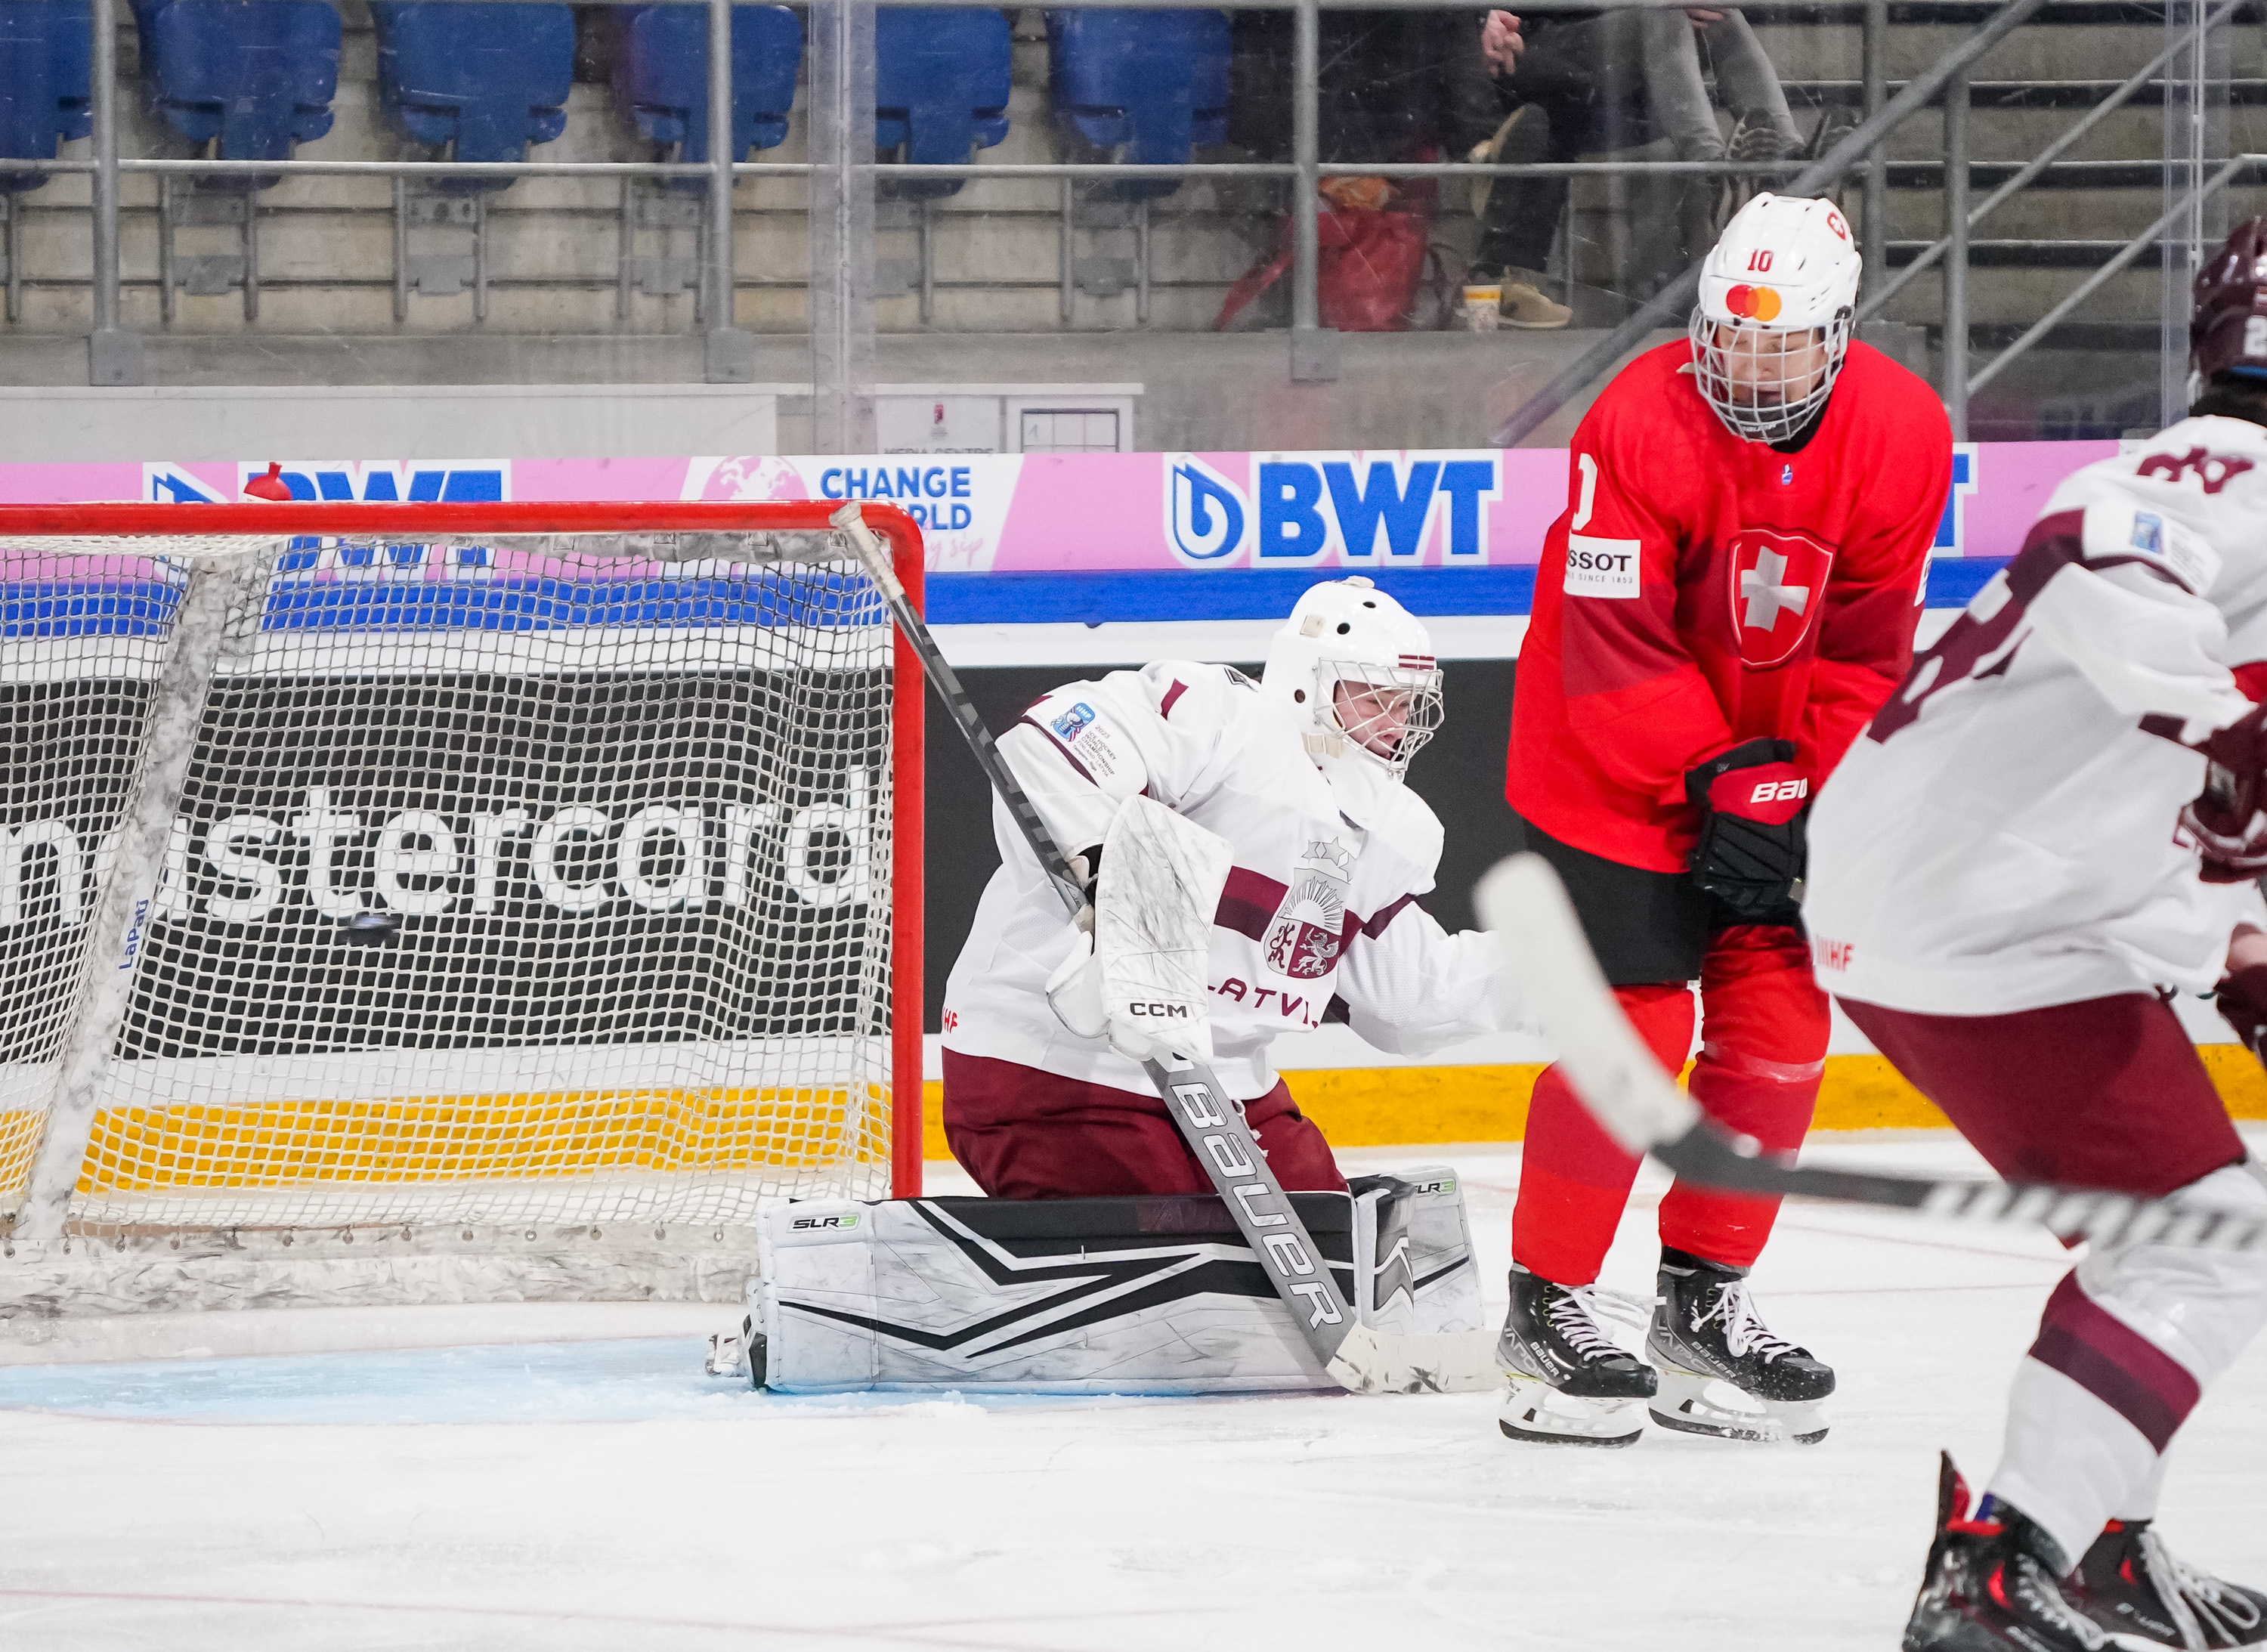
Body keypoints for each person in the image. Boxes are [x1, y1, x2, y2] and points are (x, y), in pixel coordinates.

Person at [1805, 220, 2267, 1650]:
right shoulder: (2228, 474)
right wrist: (2237, 735)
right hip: (1979, 910)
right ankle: (2003, 1566)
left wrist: (2239, 939)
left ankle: (2095, 1541)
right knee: (2207, 1245)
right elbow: (2094, 554)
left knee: (2172, 1240)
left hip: (1985, 902)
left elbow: (2186, 792)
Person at [1495, 190, 1953, 1447]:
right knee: (1633, 1029)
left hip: (1779, 772)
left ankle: (1702, 1304)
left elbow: (1869, 644)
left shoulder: (1905, 433)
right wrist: (1717, 771)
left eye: (1779, 343)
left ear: (1838, 334)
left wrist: (1798, 783)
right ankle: (1547, 1305)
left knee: (1781, 1028)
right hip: (1610, 768)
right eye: (1729, 337)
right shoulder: (1637, 417)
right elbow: (1610, 638)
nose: (1747, 365)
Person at [941, 577, 1522, 1200]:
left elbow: (1414, 999)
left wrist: (1576, 972)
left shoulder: (1387, 830)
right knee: (1176, 1254)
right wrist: (1107, 879)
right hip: (1055, 1060)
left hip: (1223, 1087)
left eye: (1406, 702)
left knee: (1327, 1241)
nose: (1395, 720)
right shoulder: (1218, 717)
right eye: (1374, 695)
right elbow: (1049, 745)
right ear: (1310, 680)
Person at [1471, 5, 1805, 301]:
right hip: (1531, 46)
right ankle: (1710, 169)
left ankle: (1789, 158)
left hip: (1618, 63)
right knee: (1663, 10)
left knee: (1718, 12)